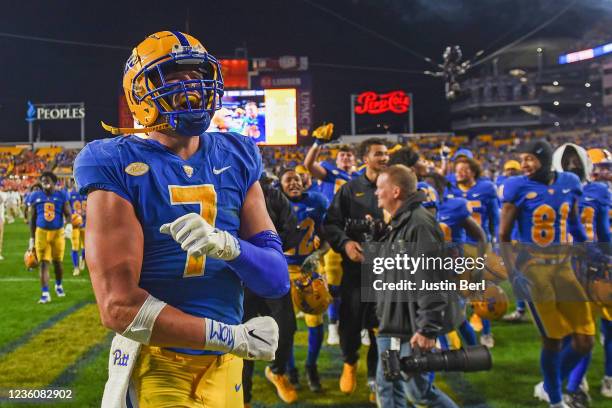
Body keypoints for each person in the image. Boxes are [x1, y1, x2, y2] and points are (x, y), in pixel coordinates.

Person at [73, 31, 287, 407]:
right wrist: (232, 336)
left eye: (197, 74)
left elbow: (275, 279)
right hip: (159, 364)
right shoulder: (112, 161)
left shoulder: (238, 152)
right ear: (139, 91)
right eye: (174, 75)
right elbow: (119, 307)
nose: (190, 85)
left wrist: (229, 246)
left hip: (228, 369)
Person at [499, 139, 594, 408]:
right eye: (522, 159)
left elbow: (574, 223)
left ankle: (548, 384)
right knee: (552, 340)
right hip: (534, 270)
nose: (524, 164)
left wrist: (591, 252)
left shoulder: (570, 183)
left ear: (545, 158)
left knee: (585, 340)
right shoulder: (517, 186)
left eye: (530, 158)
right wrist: (512, 271)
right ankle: (555, 400)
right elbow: (504, 234)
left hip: (564, 268)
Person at [374, 164, 459, 408]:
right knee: (392, 389)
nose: (377, 193)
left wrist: (427, 328)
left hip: (409, 327)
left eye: (381, 188)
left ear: (396, 192)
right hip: (394, 322)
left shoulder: (419, 224)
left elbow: (432, 280)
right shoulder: (401, 222)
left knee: (417, 393)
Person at [324, 137, 388, 398]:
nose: (384, 158)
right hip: (356, 269)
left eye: (385, 154)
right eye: (378, 154)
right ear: (365, 158)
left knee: (381, 327)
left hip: (387, 268)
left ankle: (375, 377)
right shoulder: (350, 190)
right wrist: (346, 243)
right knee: (349, 323)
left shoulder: (394, 186)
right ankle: (350, 362)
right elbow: (331, 224)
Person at [552, 143, 611, 404]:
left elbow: (602, 231)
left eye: (577, 160)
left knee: (596, 329)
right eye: (568, 160)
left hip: (594, 267)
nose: (573, 165)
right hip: (562, 268)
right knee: (572, 333)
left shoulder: (598, 190)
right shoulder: (550, 190)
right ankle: (573, 384)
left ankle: (582, 384)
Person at [242, 174, 300, 406]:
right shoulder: (225, 188)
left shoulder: (273, 195)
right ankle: (243, 396)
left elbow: (292, 231)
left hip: (270, 272)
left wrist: (266, 249)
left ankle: (277, 371)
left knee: (286, 328)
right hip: (240, 277)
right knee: (242, 338)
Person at [304, 124, 358, 346]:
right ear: (337, 159)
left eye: (349, 155)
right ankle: (333, 325)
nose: (345, 158)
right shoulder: (330, 173)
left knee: (359, 284)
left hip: (357, 233)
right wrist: (318, 143)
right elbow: (308, 165)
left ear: (355, 159)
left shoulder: (363, 176)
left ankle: (361, 325)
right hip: (334, 234)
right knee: (334, 284)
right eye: (342, 155)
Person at [280, 168, 329, 394]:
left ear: (304, 182)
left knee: (315, 319)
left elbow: (329, 236)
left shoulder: (317, 202)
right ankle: (290, 369)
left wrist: (318, 254)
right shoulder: (274, 204)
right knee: (286, 325)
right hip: (284, 270)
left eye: (297, 179)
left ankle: (311, 367)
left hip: (310, 269)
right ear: (280, 184)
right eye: (288, 180)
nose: (293, 183)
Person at [29, 172, 71, 303]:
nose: (44, 182)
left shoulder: (61, 195)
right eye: (42, 180)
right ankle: (45, 293)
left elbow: (68, 213)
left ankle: (58, 285)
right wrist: (31, 238)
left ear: (54, 182)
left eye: (47, 180)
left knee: (58, 262)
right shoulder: (36, 195)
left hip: (58, 232)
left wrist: (68, 226)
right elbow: (33, 218)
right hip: (41, 233)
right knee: (43, 263)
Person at [65, 178, 86, 276]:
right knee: (75, 246)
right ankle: (76, 267)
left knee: (86, 246)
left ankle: (83, 260)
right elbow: (66, 208)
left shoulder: (88, 194)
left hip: (86, 223)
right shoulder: (71, 195)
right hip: (75, 225)